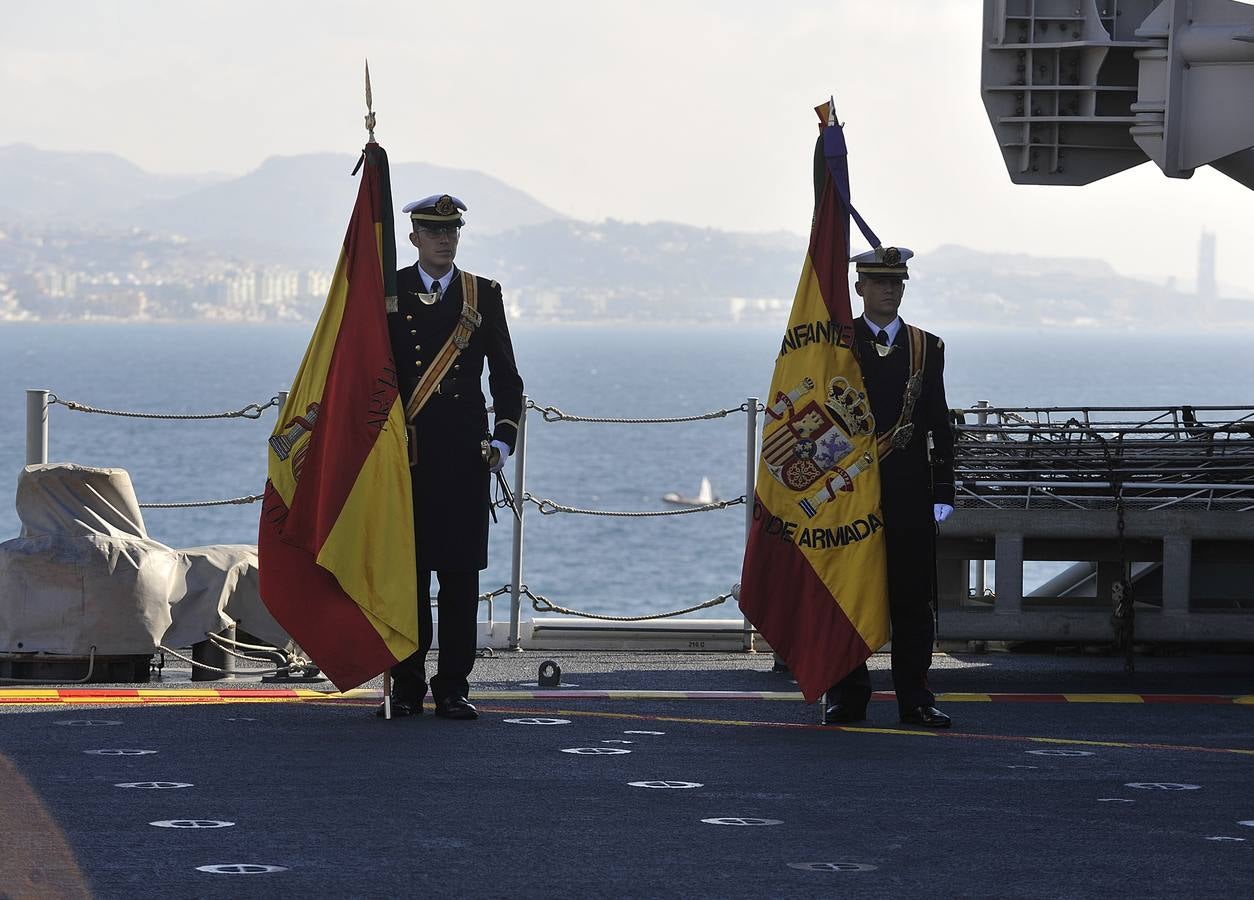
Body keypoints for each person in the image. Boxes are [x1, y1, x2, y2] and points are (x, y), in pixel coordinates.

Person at [378, 193, 523, 720]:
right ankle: (407, 685)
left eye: (451, 230)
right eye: (433, 231)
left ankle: (454, 686)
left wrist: (502, 441)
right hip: (405, 458)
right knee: (407, 576)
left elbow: (507, 379)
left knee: (460, 577)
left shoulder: (482, 294)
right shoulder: (388, 291)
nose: (444, 238)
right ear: (414, 237)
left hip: (464, 456)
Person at [823, 245, 956, 728]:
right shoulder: (836, 346)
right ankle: (847, 695)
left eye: (896, 282)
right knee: (849, 592)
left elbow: (939, 423)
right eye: (879, 282)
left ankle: (915, 697)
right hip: (851, 492)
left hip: (907, 491)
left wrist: (943, 491)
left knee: (912, 599)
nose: (889, 289)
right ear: (859, 287)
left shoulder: (927, 346)